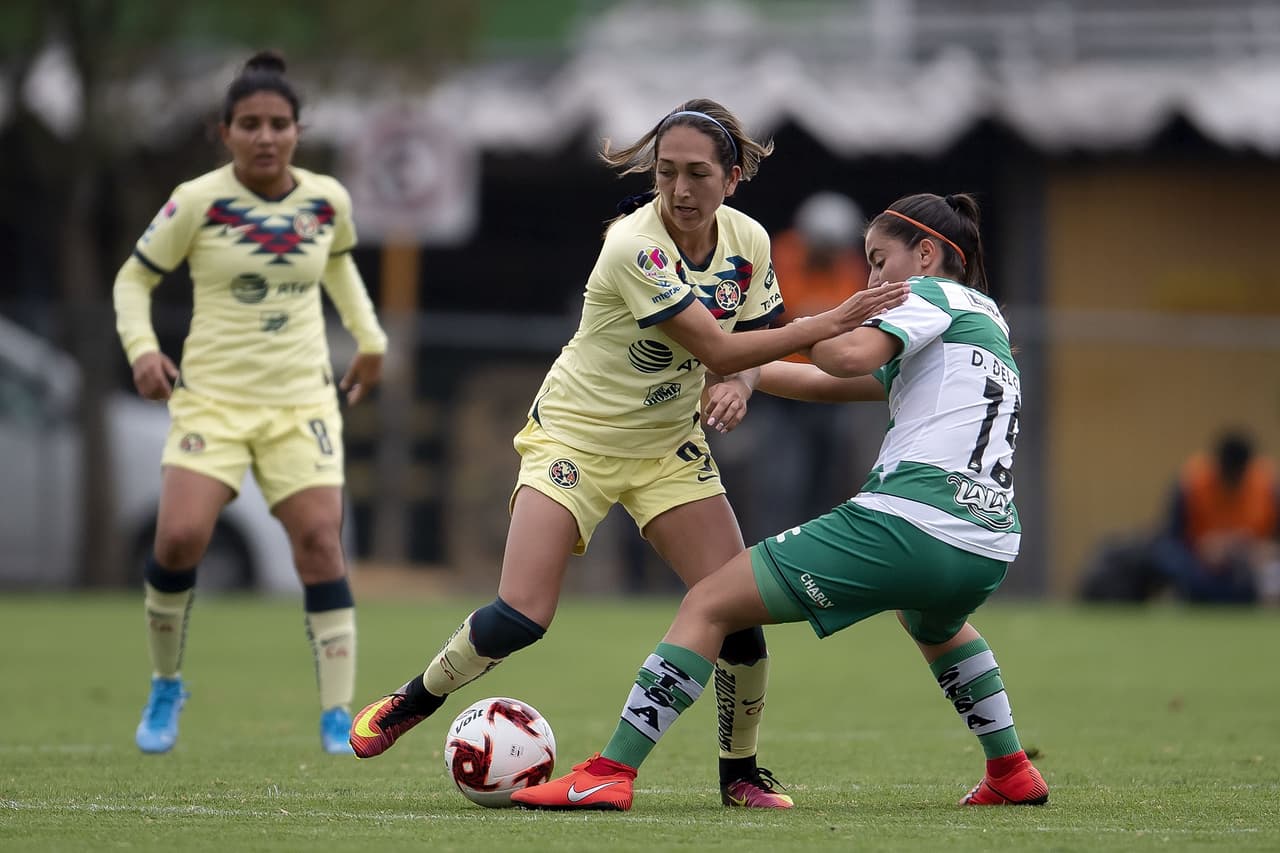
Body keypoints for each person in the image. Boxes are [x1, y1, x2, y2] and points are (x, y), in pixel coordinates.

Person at [347, 98, 908, 809]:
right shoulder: (633, 244)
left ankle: (739, 774)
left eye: (697, 173)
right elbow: (720, 346)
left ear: (732, 178)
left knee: (737, 612)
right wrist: (823, 324)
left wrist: (744, 385)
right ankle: (412, 700)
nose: (679, 189)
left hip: (667, 446)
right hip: (576, 437)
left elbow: (749, 349)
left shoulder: (749, 241)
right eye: (666, 171)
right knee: (522, 614)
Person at [511, 192, 1050, 811]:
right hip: (987, 540)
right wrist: (734, 370)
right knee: (933, 622)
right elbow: (829, 383)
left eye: (879, 261)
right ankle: (1010, 769)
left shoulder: (926, 295)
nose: (872, 280)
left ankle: (610, 772)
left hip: (912, 523)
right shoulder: (983, 320)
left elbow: (843, 356)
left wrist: (813, 323)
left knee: (710, 601)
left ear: (926, 255)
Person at [112, 51, 387, 755]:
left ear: (299, 130)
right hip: (213, 402)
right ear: (225, 132)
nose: (266, 137)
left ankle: (337, 713)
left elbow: (338, 267)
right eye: (250, 124)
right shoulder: (196, 201)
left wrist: (370, 338)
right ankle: (166, 684)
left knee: (320, 543)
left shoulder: (326, 200)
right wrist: (142, 349)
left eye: (279, 124)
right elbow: (133, 280)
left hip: (300, 402)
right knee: (179, 538)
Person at [717, 191, 872, 539]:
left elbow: (852, 319)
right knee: (780, 477)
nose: (828, 255)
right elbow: (786, 312)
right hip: (781, 390)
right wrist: (821, 320)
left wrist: (819, 320)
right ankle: (771, 546)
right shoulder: (783, 255)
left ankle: (818, 547)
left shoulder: (848, 265)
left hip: (830, 386)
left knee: (830, 474)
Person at [1149, 431, 1280, 604]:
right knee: (1167, 557)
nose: (1233, 481)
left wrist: (1260, 551)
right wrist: (1202, 550)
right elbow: (1172, 536)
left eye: (1238, 475)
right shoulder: (1192, 482)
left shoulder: (1268, 486)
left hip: (1252, 565)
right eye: (1228, 474)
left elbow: (1273, 542)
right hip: (1199, 563)